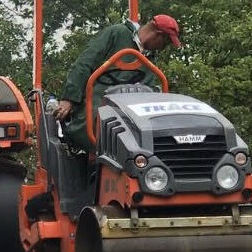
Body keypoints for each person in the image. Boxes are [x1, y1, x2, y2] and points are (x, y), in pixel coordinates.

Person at [54, 14, 181, 152]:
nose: (162, 47)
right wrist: (69, 99)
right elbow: (84, 64)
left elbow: (149, 87)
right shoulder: (117, 34)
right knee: (98, 123)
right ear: (158, 35)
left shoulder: (150, 57)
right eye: (165, 43)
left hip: (130, 107)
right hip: (99, 97)